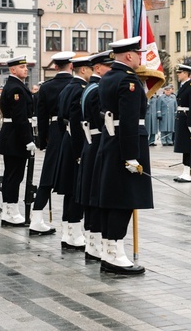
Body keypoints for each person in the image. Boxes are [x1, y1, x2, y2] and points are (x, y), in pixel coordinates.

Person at [95, 36, 152, 275]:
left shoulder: (107, 77)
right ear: (129, 56)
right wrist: (131, 156)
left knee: (112, 199)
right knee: (124, 201)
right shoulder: (128, 80)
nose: (141, 57)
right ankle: (116, 254)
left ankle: (110, 249)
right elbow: (129, 120)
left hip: (110, 141)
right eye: (138, 53)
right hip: (125, 144)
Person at [31, 51, 75, 235]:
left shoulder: (46, 87)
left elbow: (41, 117)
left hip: (54, 132)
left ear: (55, 67)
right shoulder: (76, 85)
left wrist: (43, 140)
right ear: (71, 66)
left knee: (47, 176)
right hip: (72, 131)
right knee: (73, 177)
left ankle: (36, 218)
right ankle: (70, 226)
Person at [78, 50, 114, 262]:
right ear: (98, 68)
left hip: (90, 144)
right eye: (108, 67)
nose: (112, 70)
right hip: (98, 143)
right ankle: (94, 241)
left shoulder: (89, 88)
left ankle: (92, 241)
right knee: (97, 195)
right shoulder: (97, 90)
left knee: (92, 194)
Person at [54, 55, 92, 251]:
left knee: (70, 190)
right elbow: (77, 124)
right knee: (77, 190)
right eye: (91, 69)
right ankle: (75, 233)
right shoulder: (79, 90)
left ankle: (67, 231)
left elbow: (61, 120)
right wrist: (79, 152)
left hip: (67, 142)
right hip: (76, 144)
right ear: (83, 70)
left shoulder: (68, 88)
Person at [0, 56, 35, 228]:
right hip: (15, 137)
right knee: (13, 176)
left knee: (14, 175)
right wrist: (28, 140)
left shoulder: (16, 86)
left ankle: (9, 210)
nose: (26, 69)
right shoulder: (15, 88)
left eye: (26, 66)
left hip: (12, 136)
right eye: (22, 67)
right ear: (13, 70)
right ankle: (10, 212)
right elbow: (20, 118)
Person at [173, 65, 191, 183]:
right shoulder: (183, 86)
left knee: (189, 147)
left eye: (180, 72)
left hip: (187, 119)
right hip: (182, 118)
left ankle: (190, 173)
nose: (178, 75)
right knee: (184, 146)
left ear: (186, 73)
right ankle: (185, 171)